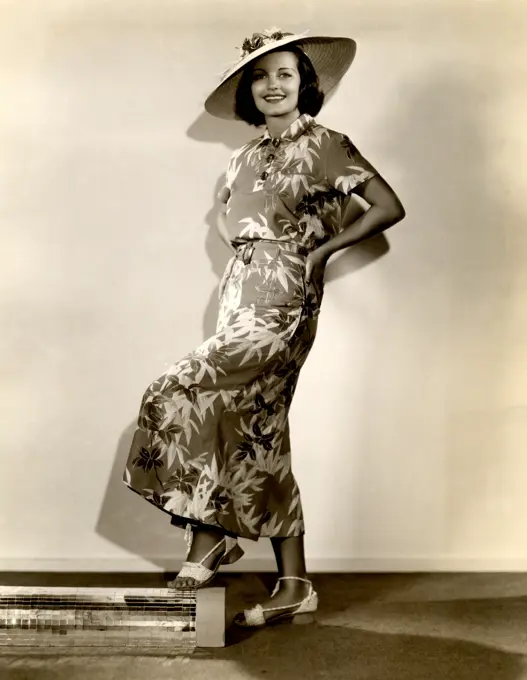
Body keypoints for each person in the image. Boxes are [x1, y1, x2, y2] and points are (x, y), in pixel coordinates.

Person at [122, 28, 405, 628]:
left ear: (306, 83)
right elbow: (227, 219)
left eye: (285, 74)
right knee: (257, 427)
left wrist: (323, 249)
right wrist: (241, 242)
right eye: (260, 76)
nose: (272, 85)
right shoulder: (243, 157)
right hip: (239, 294)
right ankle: (295, 582)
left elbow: (388, 207)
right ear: (249, 90)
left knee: (177, 388)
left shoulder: (328, 145)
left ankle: (210, 537)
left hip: (286, 298)